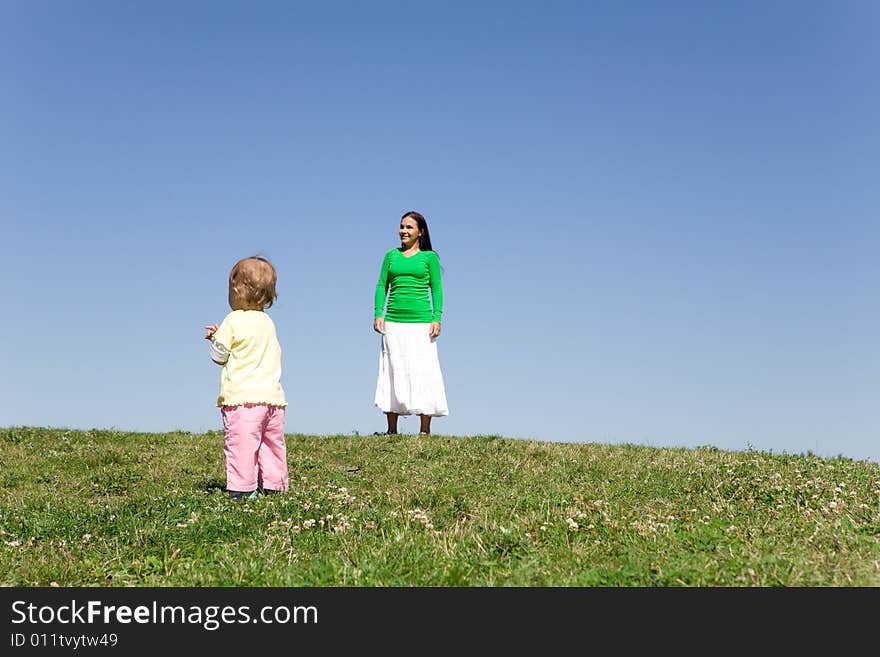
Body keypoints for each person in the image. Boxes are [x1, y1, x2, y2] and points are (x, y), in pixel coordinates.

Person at [204, 256, 288, 500]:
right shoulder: (267, 322)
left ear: (237, 289)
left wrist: (216, 340)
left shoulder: (233, 320)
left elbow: (220, 356)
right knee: (271, 445)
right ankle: (274, 486)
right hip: (273, 400)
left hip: (242, 399)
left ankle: (242, 491)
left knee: (242, 446)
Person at [373, 210, 448, 435]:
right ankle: (391, 429)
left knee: (423, 371)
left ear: (420, 232)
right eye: (402, 226)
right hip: (394, 323)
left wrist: (437, 317)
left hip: (421, 323)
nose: (403, 231)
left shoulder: (429, 258)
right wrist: (379, 313)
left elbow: (437, 288)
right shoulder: (390, 256)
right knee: (393, 369)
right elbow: (380, 286)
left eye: (409, 227)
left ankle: (424, 430)